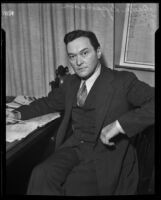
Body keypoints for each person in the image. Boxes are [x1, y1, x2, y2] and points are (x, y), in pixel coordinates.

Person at [6, 30, 154, 195]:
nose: (78, 62)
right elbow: (48, 103)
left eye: (84, 53)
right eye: (72, 56)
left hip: (107, 154)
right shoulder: (70, 83)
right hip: (75, 147)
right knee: (41, 174)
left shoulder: (123, 81)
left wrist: (120, 126)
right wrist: (17, 114)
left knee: (73, 186)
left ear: (98, 52)